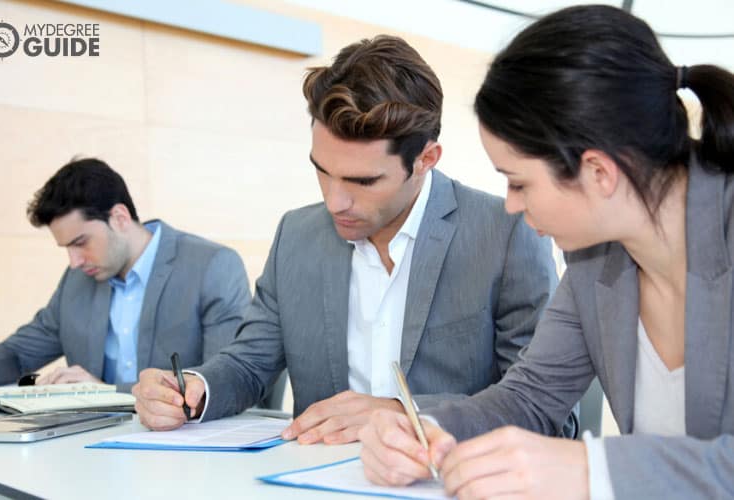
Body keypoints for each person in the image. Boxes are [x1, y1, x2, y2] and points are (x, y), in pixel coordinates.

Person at [358, 5, 734, 499]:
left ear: (598, 172)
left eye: (518, 183)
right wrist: (418, 427)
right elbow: (529, 398)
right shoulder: (594, 261)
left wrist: (592, 470)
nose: (512, 207)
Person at [132, 35, 563, 443]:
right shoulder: (296, 235)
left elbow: (545, 412)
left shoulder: (507, 232)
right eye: (322, 170)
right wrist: (194, 389)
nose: (335, 201)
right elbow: (248, 364)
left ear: (425, 160)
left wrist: (402, 413)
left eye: (362, 180)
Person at [0, 158, 250, 393]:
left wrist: (105, 393)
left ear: (120, 218)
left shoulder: (212, 266)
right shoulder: (77, 279)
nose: (74, 262)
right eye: (66, 248)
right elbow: (21, 350)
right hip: (90, 447)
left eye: (80, 243)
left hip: (184, 450)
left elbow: (225, 380)